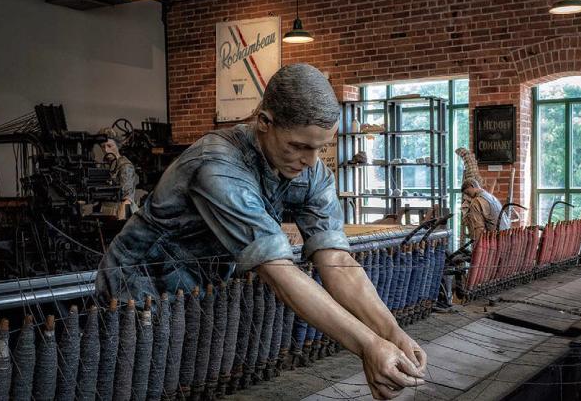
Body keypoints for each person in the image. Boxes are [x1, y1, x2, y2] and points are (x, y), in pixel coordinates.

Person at [95, 63, 426, 399]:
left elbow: (337, 261)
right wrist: (369, 345)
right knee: (133, 385)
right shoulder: (217, 164)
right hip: (135, 288)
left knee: (188, 384)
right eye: (299, 146)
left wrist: (390, 330)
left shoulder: (309, 172)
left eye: (319, 147)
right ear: (264, 123)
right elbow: (278, 273)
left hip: (197, 291)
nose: (311, 161)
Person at [100, 128, 139, 219]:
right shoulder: (105, 165)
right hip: (107, 210)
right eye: (103, 146)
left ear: (117, 146)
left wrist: (122, 220)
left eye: (109, 146)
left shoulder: (125, 166)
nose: (106, 150)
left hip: (120, 210)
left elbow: (127, 199)